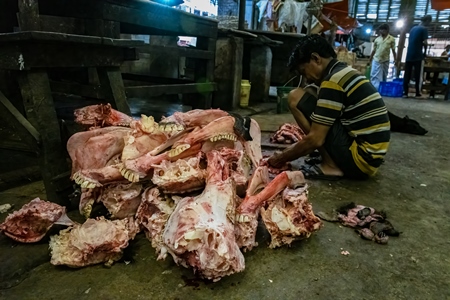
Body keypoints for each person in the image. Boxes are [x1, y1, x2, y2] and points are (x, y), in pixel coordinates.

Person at [267, 35, 391, 180]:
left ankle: (331, 166)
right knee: (309, 91)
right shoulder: (343, 72)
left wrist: (281, 157)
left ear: (316, 59)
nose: (306, 78)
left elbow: (315, 140)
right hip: (369, 159)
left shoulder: (333, 81)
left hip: (360, 162)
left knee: (295, 96)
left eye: (303, 71)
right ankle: (331, 159)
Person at [403, 15, 432, 98]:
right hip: (418, 55)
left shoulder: (413, 29)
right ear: (427, 21)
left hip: (409, 55)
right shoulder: (424, 29)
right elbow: (425, 42)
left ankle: (405, 92)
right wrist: (425, 53)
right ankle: (418, 93)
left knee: (407, 74)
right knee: (418, 75)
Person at [369, 24, 397, 90]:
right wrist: (370, 59)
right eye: (380, 30)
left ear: (387, 30)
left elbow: (393, 50)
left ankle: (382, 88)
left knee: (384, 74)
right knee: (374, 74)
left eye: (383, 30)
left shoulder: (391, 39)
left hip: (385, 60)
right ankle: (374, 88)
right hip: (376, 59)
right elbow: (374, 50)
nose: (381, 31)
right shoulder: (377, 39)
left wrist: (395, 59)